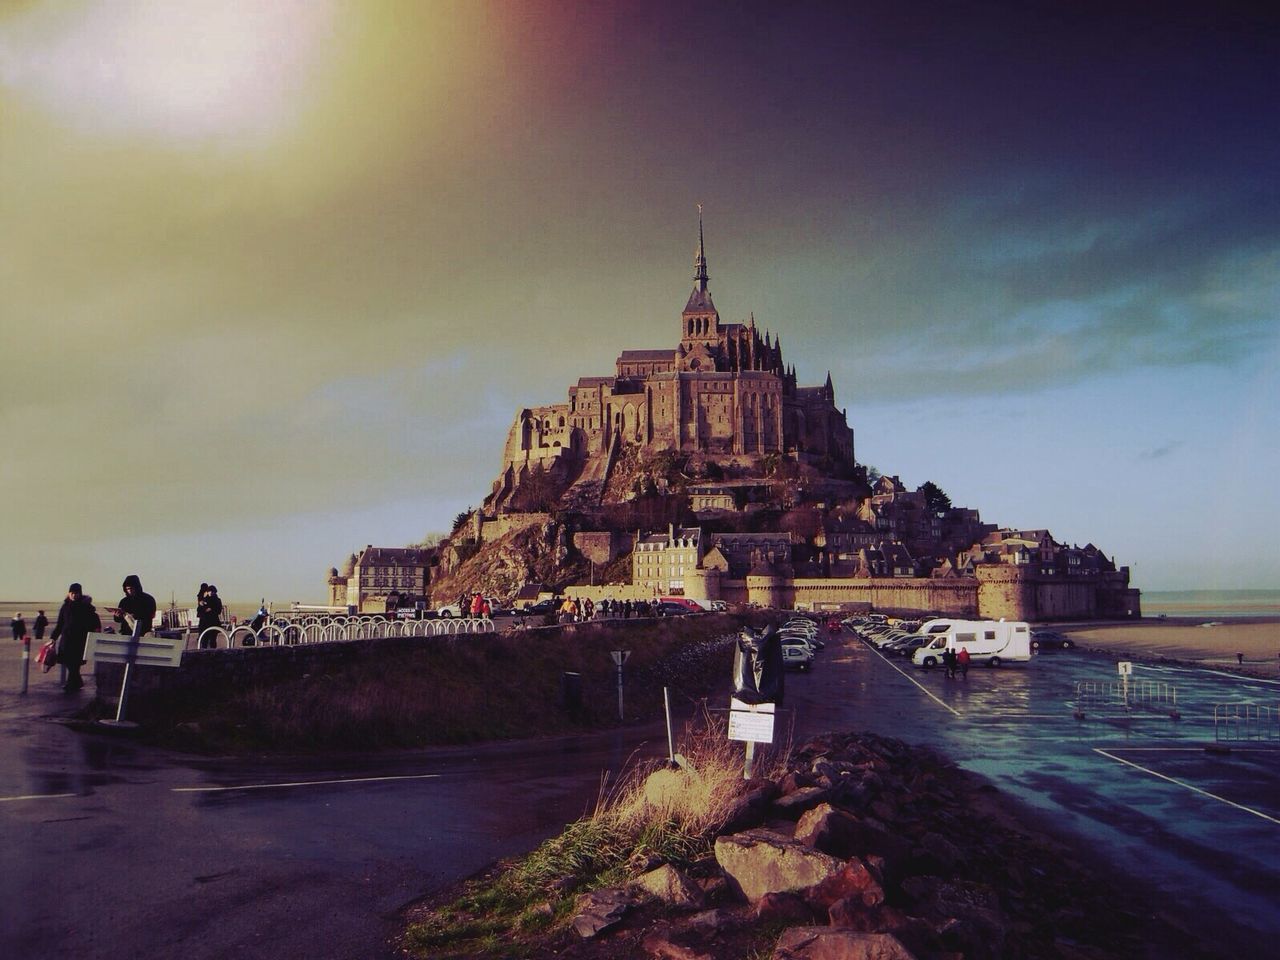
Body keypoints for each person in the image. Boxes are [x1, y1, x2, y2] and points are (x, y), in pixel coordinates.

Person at [50, 583, 100, 693]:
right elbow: (60, 624)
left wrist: (92, 635)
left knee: (75, 663)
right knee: (68, 662)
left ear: (79, 594)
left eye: (76, 593)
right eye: (71, 593)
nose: (73, 595)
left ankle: (71, 684)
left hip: (80, 640)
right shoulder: (65, 607)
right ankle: (77, 682)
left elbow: (93, 622)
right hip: (66, 639)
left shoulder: (85, 606)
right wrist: (53, 638)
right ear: (68, 594)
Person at [111, 574, 157, 640]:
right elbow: (118, 620)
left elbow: (151, 615)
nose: (129, 591)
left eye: (131, 588)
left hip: (143, 633)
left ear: (136, 587)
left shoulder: (148, 599)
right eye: (127, 589)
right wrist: (117, 616)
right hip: (126, 634)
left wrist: (134, 616)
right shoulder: (124, 601)